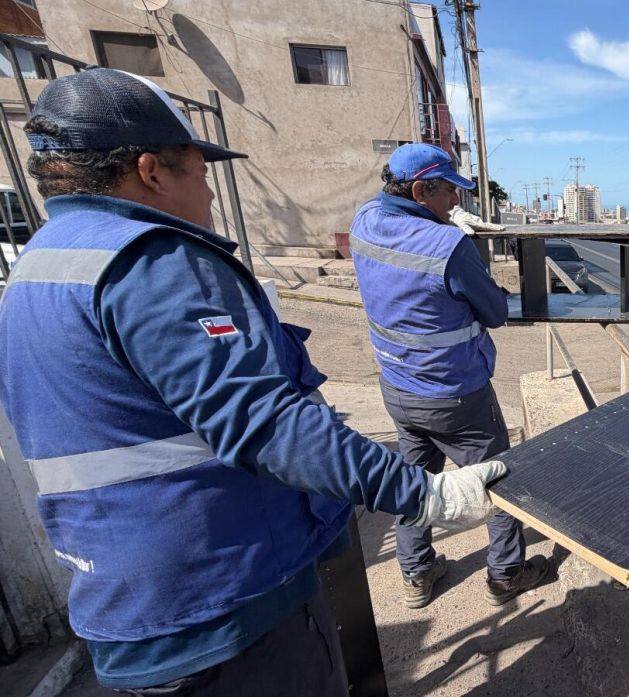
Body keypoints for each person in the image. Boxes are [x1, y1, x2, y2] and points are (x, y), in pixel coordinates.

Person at [0, 69, 504, 695]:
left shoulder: (37, 268)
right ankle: (504, 568)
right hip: (225, 599)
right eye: (200, 171)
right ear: (151, 171)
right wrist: (424, 495)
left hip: (127, 594)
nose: (211, 190)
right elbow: (265, 420)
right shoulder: (153, 264)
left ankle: (415, 567)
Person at [349, 143, 548, 610]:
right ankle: (505, 575)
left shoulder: (364, 220)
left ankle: (416, 573)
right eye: (448, 193)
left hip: (398, 387)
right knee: (496, 480)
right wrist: (461, 249)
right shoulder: (447, 246)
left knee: (414, 482)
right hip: (455, 395)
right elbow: (495, 312)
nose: (455, 202)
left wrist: (443, 227)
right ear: (420, 191)